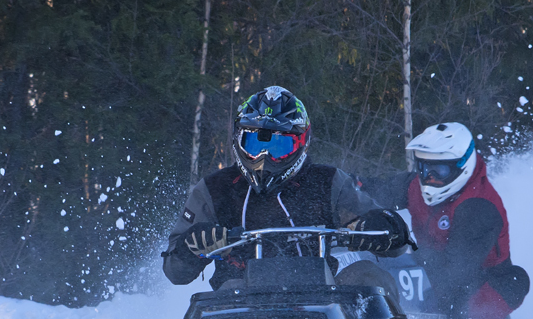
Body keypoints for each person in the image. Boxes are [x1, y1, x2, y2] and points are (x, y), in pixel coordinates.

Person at [162, 85, 409, 289]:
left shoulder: (327, 182)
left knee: (369, 277)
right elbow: (175, 272)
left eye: (280, 147)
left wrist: (382, 228)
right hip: (239, 306)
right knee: (225, 293)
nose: (264, 159)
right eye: (254, 144)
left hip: (325, 298)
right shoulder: (215, 189)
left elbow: (397, 242)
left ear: (302, 144)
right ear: (238, 139)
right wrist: (191, 247)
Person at [363, 122, 530, 319]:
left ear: (462, 165)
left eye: (439, 170)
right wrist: (341, 187)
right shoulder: (416, 186)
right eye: (424, 168)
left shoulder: (478, 206)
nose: (429, 177)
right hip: (437, 274)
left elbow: (457, 270)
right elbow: (378, 190)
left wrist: (402, 258)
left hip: (482, 286)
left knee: (454, 306)